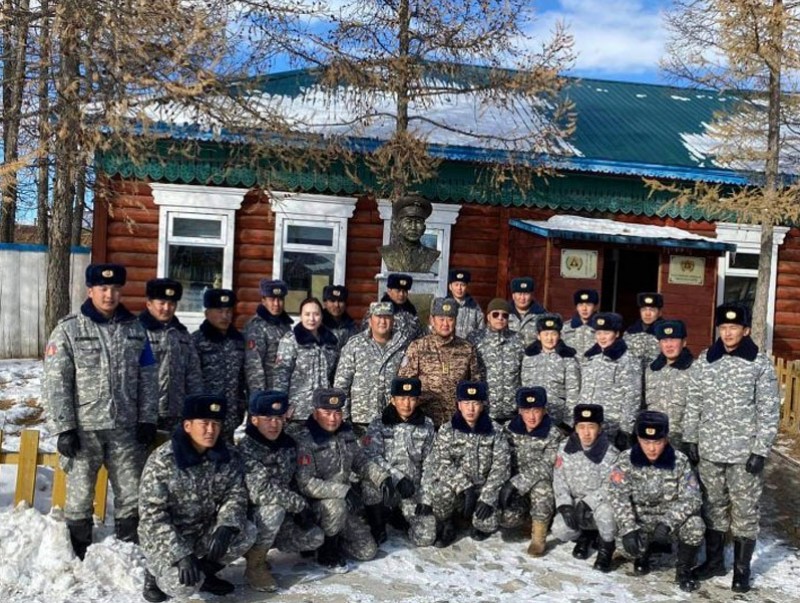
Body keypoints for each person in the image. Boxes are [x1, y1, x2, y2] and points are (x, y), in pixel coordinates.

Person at [43, 263, 158, 560]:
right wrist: (64, 427)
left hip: (125, 429)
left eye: (115, 289)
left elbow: (148, 377)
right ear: (90, 290)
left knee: (131, 494)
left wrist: (147, 418)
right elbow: (56, 381)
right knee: (80, 496)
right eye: (103, 288)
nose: (109, 295)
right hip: (84, 431)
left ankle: (128, 554)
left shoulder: (135, 331)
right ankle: (79, 556)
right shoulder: (69, 329)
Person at [683, 303, 779, 593]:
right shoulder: (706, 360)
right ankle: (714, 562)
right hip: (710, 450)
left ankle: (741, 570)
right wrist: (690, 438)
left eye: (734, 328)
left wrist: (761, 450)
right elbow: (694, 402)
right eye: (723, 327)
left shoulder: (758, 364)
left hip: (743, 454)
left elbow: (769, 410)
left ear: (746, 330)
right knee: (713, 507)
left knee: (745, 512)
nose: (727, 333)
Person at [138, 394, 256, 602]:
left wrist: (226, 526)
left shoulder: (226, 455)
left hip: (202, 530)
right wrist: (181, 554)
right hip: (168, 537)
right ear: (187, 426)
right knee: (183, 587)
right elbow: (152, 517)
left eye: (216, 424)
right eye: (204, 423)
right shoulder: (163, 461)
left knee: (247, 531)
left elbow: (235, 494)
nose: (211, 430)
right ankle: (154, 575)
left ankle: (205, 573)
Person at [294, 388, 391, 571]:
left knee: (367, 551)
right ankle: (326, 552)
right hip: (316, 508)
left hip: (343, 506)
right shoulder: (305, 440)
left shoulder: (346, 434)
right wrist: (343, 491)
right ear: (315, 413)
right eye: (327, 413)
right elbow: (306, 483)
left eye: (337, 412)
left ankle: (334, 540)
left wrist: (383, 478)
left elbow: (361, 462)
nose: (333, 418)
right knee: (335, 506)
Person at [237, 390, 324, 592]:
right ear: (254, 420)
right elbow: (260, 492)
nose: (274, 424)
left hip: (283, 515)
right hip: (251, 520)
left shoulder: (287, 445)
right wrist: (298, 505)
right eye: (268, 419)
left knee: (314, 537)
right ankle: (255, 565)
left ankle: (264, 548)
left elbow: (295, 480)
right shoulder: (246, 448)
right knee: (272, 510)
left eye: (278, 418)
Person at [607, 411, 704, 592]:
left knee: (695, 525)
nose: (652, 448)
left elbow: (693, 498)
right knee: (625, 546)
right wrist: (628, 528)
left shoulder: (680, 461)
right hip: (640, 520)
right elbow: (617, 495)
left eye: (657, 442)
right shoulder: (626, 460)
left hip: (668, 522)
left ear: (666, 439)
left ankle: (683, 570)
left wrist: (668, 523)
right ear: (638, 439)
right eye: (646, 442)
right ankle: (642, 555)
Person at [422, 381, 510, 546]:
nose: (471, 409)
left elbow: (501, 467)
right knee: (440, 492)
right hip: (459, 489)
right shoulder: (447, 430)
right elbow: (441, 464)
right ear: (459, 405)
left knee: (487, 523)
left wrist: (487, 497)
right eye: (466, 403)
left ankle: (473, 522)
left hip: (482, 489)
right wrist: (464, 486)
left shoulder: (495, 431)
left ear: (482, 405)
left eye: (475, 403)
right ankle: (447, 524)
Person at [360, 377, 437, 547]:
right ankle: (378, 524)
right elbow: (372, 456)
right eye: (402, 398)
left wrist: (426, 497)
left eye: (411, 399)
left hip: (412, 489)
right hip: (388, 485)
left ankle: (400, 514)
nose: (406, 404)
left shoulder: (427, 425)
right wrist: (397, 478)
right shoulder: (379, 423)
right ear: (393, 400)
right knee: (369, 483)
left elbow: (430, 463)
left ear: (417, 400)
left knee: (425, 538)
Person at [498, 386, 565, 556]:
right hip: (514, 487)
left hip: (535, 484)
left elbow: (547, 466)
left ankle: (539, 535)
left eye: (536, 410)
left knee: (543, 488)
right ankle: (527, 517)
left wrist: (516, 483)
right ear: (520, 411)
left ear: (544, 410)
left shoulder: (553, 434)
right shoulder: (508, 430)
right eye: (527, 411)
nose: (532, 416)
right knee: (506, 518)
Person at [552, 404, 619, 572]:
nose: (586, 433)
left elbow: (612, 486)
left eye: (591, 427)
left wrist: (589, 502)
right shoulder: (565, 449)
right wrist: (565, 505)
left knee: (607, 513)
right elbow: (559, 479)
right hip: (576, 502)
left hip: (599, 505)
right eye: (581, 427)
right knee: (560, 529)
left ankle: (606, 548)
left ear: (600, 428)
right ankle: (584, 537)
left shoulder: (611, 453)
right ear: (575, 428)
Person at [398, 297, 481, 428]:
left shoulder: (467, 349)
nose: (445, 324)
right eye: (441, 319)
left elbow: (476, 385)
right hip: (424, 424)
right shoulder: (418, 347)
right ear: (432, 320)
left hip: (456, 424)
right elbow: (404, 385)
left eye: (450, 319)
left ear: (455, 320)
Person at [334, 301, 408, 434]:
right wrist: (344, 418)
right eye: (378, 317)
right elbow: (341, 384)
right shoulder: (355, 345)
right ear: (370, 320)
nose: (382, 321)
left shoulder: (404, 345)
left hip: (393, 420)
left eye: (387, 317)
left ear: (393, 320)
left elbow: (408, 382)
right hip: (360, 422)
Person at [139, 277, 203, 432]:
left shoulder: (182, 335)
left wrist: (196, 408)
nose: (167, 308)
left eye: (172, 303)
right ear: (149, 304)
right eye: (161, 303)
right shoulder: (136, 332)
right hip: (144, 415)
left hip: (177, 414)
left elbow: (193, 375)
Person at [578, 312, 641, 450]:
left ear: (617, 334)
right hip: (588, 425)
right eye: (598, 333)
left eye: (606, 333)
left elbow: (632, 396)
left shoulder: (627, 360)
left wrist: (625, 430)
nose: (602, 337)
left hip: (612, 426)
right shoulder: (590, 357)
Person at [191, 288, 246, 443]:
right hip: (204, 417)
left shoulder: (238, 341)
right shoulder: (196, 341)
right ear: (207, 313)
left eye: (228, 311)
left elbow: (243, 378)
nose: (225, 316)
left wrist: (241, 406)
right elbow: (190, 380)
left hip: (231, 415)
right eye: (219, 311)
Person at [274, 297, 339, 424]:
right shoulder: (291, 341)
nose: (312, 319)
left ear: (322, 316)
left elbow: (334, 376)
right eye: (307, 314)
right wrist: (281, 406)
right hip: (298, 412)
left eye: (316, 314)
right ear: (301, 316)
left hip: (324, 411)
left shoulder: (330, 342)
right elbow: (281, 376)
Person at [467, 298, 524, 423]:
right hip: (485, 411)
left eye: (504, 315)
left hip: (512, 411)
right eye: (495, 314)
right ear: (488, 316)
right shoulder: (475, 338)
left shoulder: (518, 339)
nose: (500, 318)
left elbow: (523, 373)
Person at [520, 314, 580, 430]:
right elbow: (524, 387)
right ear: (538, 336)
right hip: (532, 417)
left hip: (557, 419)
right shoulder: (529, 356)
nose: (549, 338)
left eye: (553, 334)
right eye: (546, 334)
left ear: (559, 335)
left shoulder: (568, 358)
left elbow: (573, 391)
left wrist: (568, 422)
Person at [643, 319, 695, 449]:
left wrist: (691, 440)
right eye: (664, 340)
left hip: (681, 443)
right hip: (653, 442)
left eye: (673, 340)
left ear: (684, 342)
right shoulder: (651, 370)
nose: (669, 345)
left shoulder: (695, 370)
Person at [244, 278, 293, 393]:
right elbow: (254, 366)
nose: (276, 304)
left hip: (285, 389)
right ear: (263, 300)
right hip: (267, 392)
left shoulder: (285, 325)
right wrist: (259, 396)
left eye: (280, 299)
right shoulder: (256, 327)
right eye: (272, 299)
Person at [379, 195, 440, 273]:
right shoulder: (387, 252)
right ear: (399, 226)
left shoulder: (431, 255)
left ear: (424, 229)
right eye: (408, 221)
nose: (413, 227)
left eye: (418, 222)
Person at [370, 272, 424, 345]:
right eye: (398, 291)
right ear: (389, 291)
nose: (401, 294)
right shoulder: (377, 311)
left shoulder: (412, 311)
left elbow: (420, 334)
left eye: (404, 291)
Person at [623, 292, 665, 367]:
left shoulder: (665, 333)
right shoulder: (630, 332)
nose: (647, 314)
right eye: (644, 309)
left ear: (659, 312)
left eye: (652, 310)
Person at [507, 276, 547, 347]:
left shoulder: (542, 315)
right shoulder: (503, 314)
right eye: (519, 294)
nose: (522, 298)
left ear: (532, 295)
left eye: (526, 294)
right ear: (513, 296)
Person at [561, 289, 599, 362]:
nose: (584, 309)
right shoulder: (565, 327)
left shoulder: (602, 328)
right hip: (571, 367)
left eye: (588, 305)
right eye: (580, 305)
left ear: (595, 307)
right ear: (576, 307)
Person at [447, 269, 485, 339]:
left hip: (469, 344)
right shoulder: (444, 306)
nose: (459, 288)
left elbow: (481, 331)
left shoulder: (474, 307)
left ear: (467, 287)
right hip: (449, 344)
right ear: (450, 287)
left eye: (462, 285)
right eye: (456, 285)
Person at [322, 285, 359, 352]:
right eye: (332, 301)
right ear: (325, 303)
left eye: (341, 301)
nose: (337, 305)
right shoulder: (317, 324)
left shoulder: (352, 327)